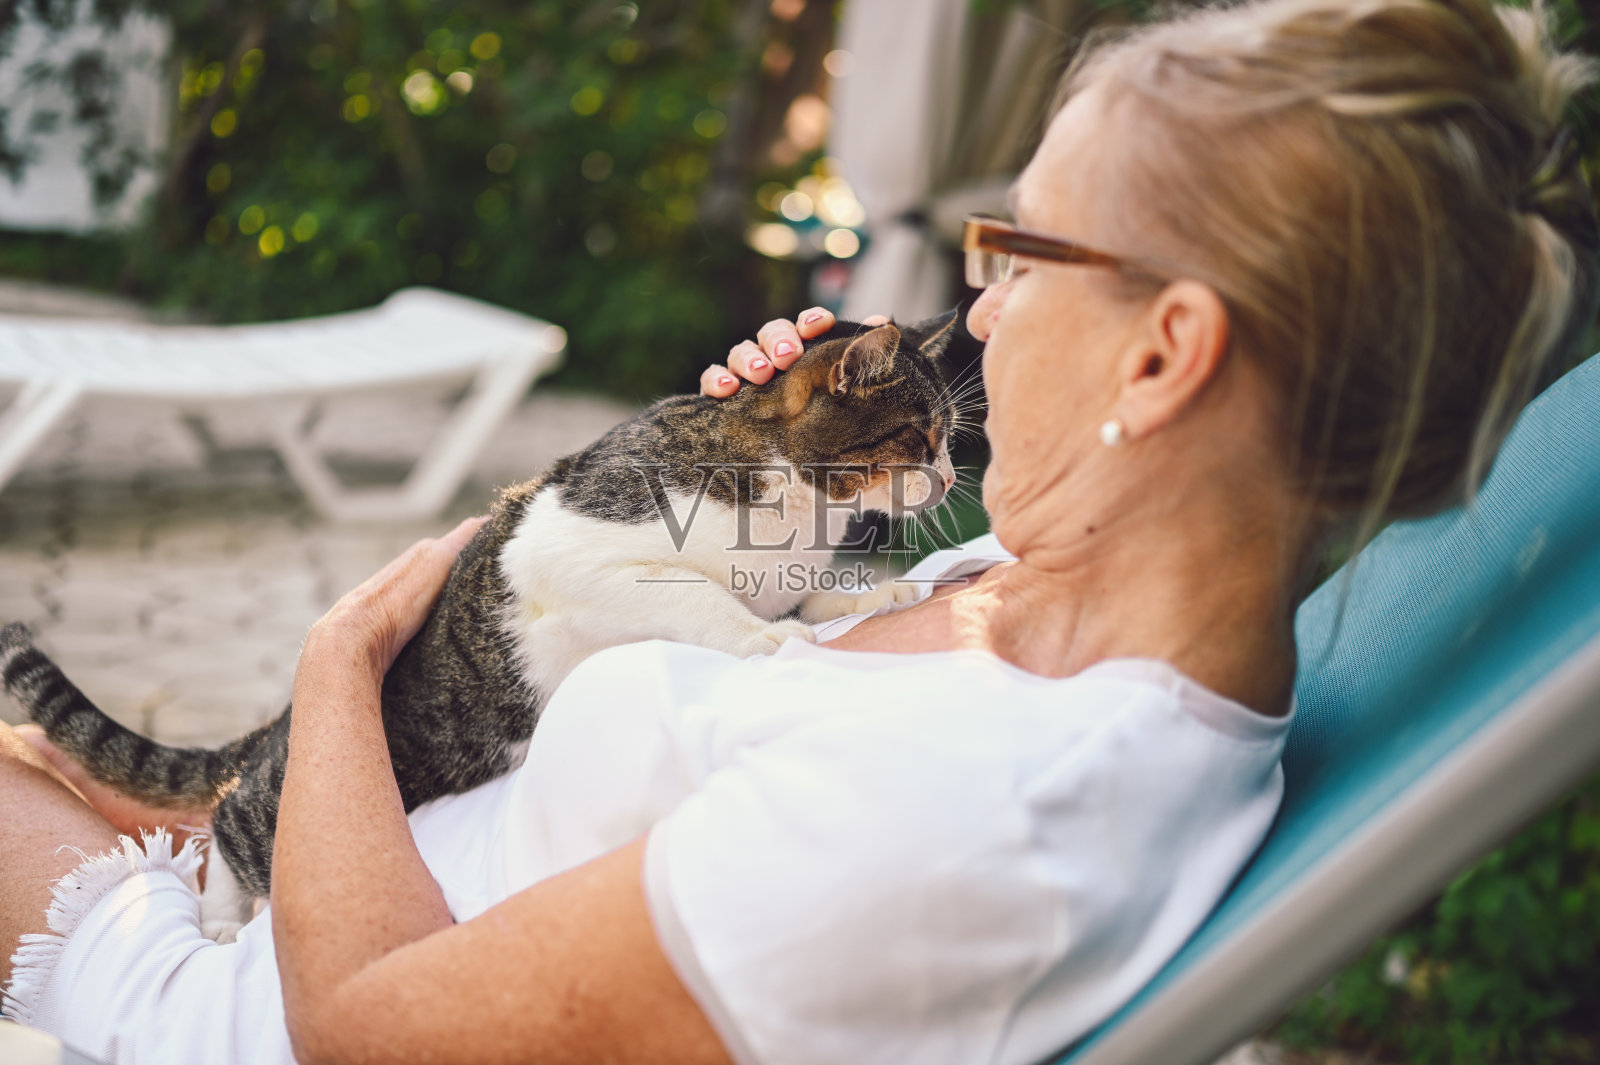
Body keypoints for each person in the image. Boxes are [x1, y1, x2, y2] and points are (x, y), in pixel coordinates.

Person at [2, 0, 1596, 1062]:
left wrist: (337, 662)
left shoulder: (984, 819)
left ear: (1164, 354)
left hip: (254, 1003)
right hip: (370, 851)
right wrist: (775, 506)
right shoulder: (1042, 598)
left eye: (1022, 250)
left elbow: (365, 1031)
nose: (978, 300)